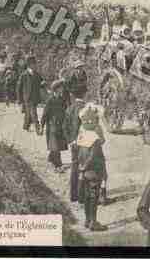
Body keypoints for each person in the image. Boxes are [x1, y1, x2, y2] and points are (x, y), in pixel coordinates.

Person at [75, 102, 109, 231]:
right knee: (93, 197)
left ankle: (87, 220)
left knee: (88, 196)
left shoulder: (82, 136)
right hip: (94, 171)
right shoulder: (95, 138)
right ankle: (93, 222)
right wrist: (87, 166)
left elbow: (79, 154)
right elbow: (94, 156)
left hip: (85, 172)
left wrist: (82, 167)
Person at [41, 79, 68, 172]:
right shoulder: (50, 100)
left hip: (60, 125)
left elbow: (65, 111)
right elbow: (45, 114)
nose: (63, 89)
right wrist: (42, 125)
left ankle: (51, 158)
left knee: (57, 144)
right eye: (61, 87)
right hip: (52, 125)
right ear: (56, 89)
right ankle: (58, 165)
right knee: (55, 144)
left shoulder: (62, 99)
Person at [17, 55, 45, 134]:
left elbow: (41, 83)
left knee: (29, 113)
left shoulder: (37, 74)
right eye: (34, 64)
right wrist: (19, 100)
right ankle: (37, 128)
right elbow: (18, 88)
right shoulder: (24, 75)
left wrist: (43, 84)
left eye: (35, 64)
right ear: (29, 65)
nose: (35, 65)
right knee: (33, 112)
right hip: (27, 97)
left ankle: (26, 126)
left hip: (35, 97)